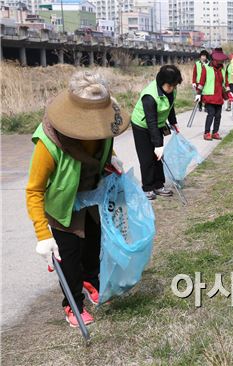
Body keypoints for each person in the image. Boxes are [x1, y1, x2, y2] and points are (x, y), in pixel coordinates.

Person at [26, 71, 129, 327]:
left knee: (93, 249)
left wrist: (111, 158)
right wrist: (43, 235)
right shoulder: (48, 144)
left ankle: (91, 280)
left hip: (93, 198)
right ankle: (72, 304)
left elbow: (103, 148)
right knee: (69, 259)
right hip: (63, 209)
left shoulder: (104, 130)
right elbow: (34, 190)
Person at [131, 65, 182, 200]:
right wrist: (158, 145)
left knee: (159, 158)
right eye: (170, 85)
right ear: (161, 82)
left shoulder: (171, 90)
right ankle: (147, 187)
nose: (172, 88)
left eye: (174, 85)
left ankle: (159, 185)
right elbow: (151, 122)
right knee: (147, 158)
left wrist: (173, 122)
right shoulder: (150, 96)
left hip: (158, 125)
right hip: (142, 126)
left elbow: (170, 107)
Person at [196, 48, 232, 141]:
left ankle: (215, 132)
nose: (221, 61)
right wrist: (198, 94)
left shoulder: (222, 69)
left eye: (222, 60)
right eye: (219, 60)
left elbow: (226, 82)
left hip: (219, 96)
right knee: (211, 114)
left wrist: (229, 92)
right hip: (209, 96)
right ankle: (207, 133)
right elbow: (201, 82)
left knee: (218, 115)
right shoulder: (206, 68)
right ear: (214, 59)